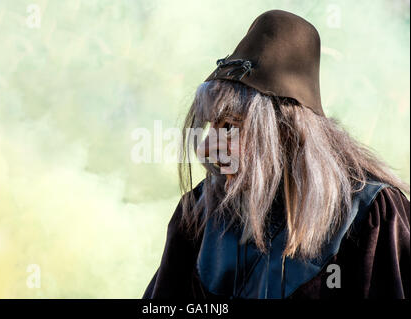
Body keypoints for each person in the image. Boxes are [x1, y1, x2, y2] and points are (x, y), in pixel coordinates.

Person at [143, 9, 410, 299]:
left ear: (286, 132)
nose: (207, 147)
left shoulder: (371, 215)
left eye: (230, 126)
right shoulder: (199, 213)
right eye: (211, 125)